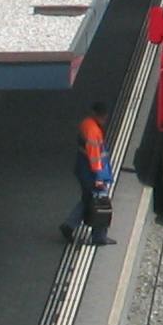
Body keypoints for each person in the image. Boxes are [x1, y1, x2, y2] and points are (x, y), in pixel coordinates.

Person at [61, 101, 115, 246]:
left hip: (83, 170)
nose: (105, 119)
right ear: (98, 115)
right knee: (101, 202)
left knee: (88, 200)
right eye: (104, 116)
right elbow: (94, 157)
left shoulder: (87, 124)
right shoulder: (92, 131)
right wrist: (99, 177)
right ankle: (99, 237)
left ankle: (69, 225)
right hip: (92, 174)